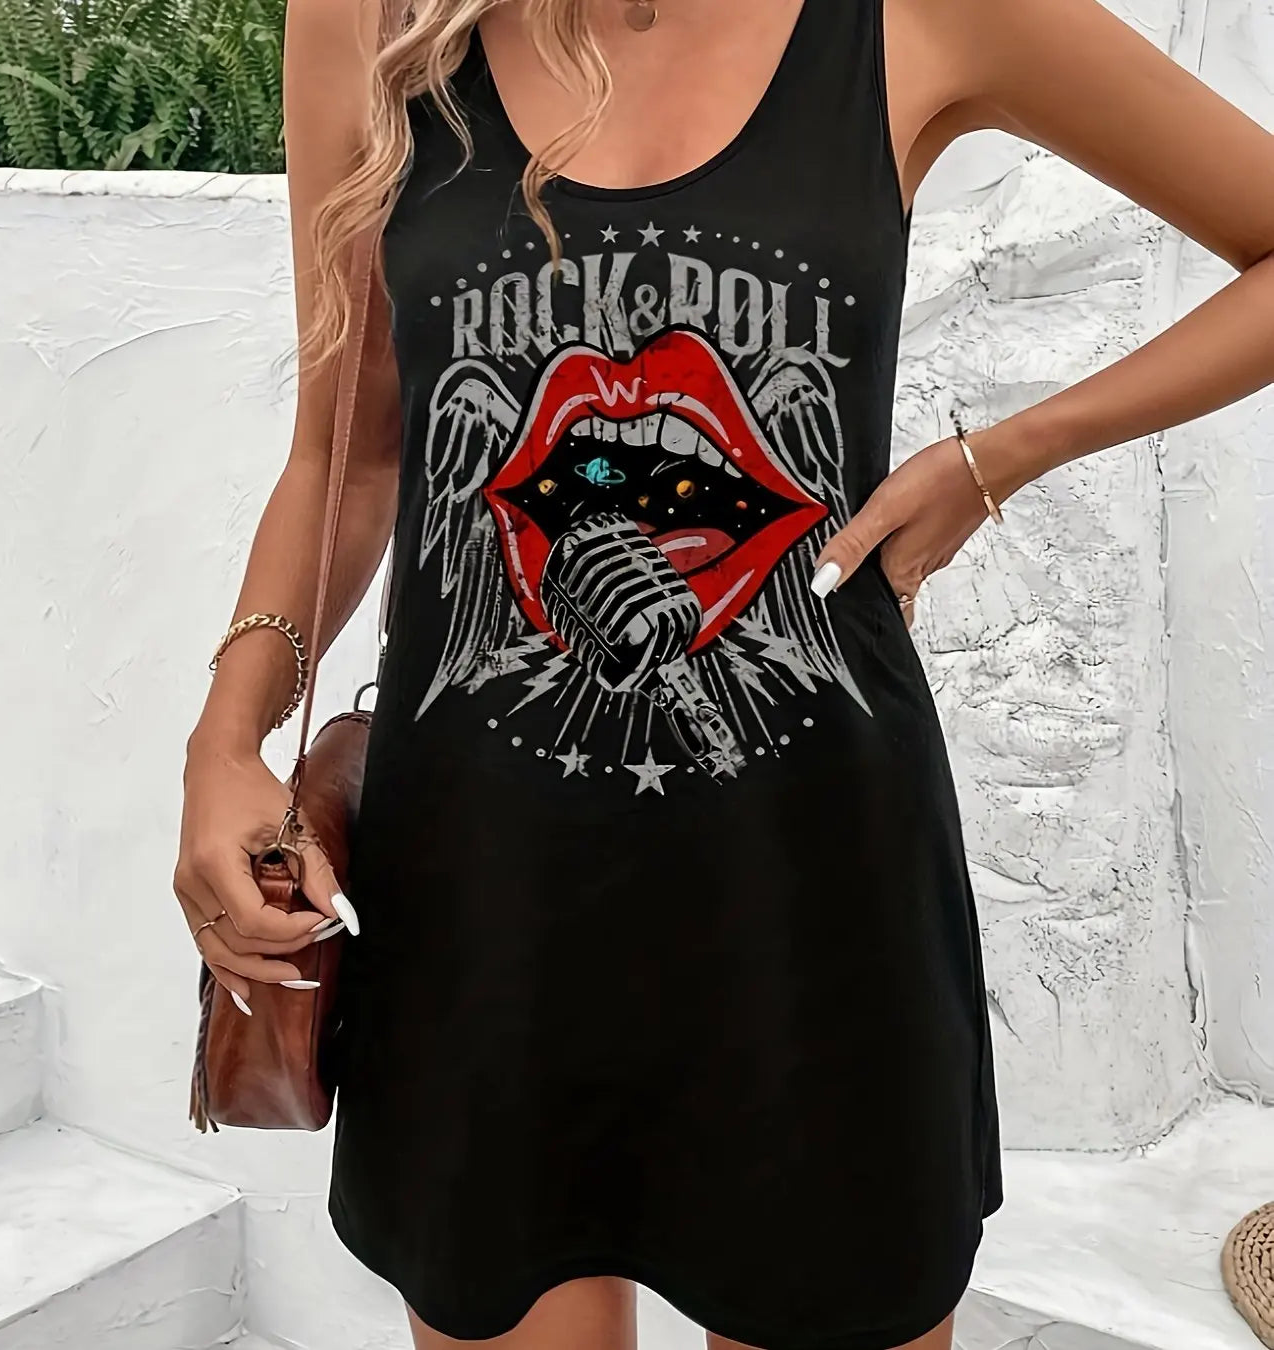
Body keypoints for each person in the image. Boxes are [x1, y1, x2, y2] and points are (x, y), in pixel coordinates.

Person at [173, 0, 1274, 1346]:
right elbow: (349, 458)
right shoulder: (376, 19)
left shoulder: (919, 16)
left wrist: (998, 457)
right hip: (480, 909)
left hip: (813, 905)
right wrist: (226, 737)